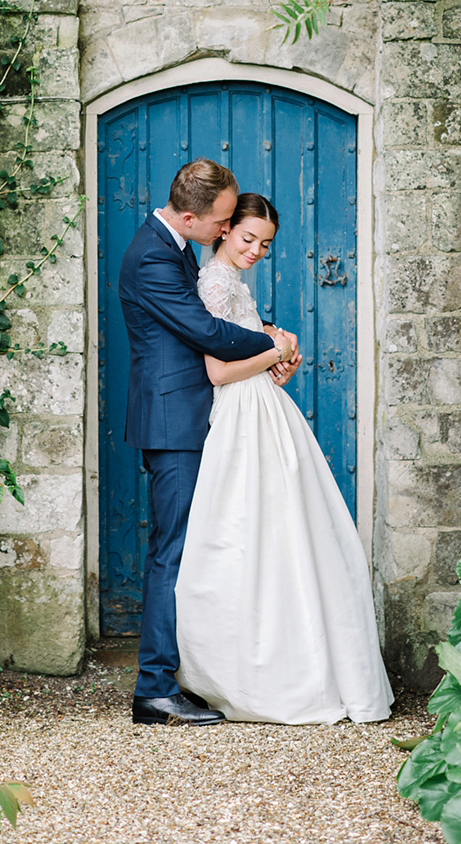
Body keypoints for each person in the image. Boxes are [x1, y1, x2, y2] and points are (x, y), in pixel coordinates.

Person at [175, 193, 394, 725]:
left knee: (284, 531)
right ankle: (251, 670)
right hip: (240, 416)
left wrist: (276, 356)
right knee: (246, 531)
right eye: (247, 238)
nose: (255, 250)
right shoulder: (214, 284)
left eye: (265, 244)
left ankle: (296, 659)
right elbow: (219, 372)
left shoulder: (235, 284)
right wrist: (277, 348)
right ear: (225, 230)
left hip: (263, 409)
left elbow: (242, 357)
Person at [120, 159, 300, 726]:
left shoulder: (174, 246)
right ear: (193, 216)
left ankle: (187, 674)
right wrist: (274, 341)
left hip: (196, 417)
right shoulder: (152, 255)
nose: (227, 231)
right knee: (171, 552)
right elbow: (202, 330)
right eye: (224, 221)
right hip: (174, 423)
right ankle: (152, 689)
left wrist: (268, 342)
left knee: (197, 551)